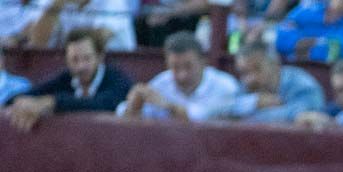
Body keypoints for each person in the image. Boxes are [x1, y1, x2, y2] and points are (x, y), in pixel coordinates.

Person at [4, 27, 132, 132]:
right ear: (66, 60)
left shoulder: (118, 80)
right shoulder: (66, 78)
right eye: (74, 59)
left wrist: (52, 102)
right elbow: (24, 96)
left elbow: (101, 104)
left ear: (100, 56)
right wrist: (23, 102)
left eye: (87, 58)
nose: (81, 66)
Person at [118, 31, 239, 121]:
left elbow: (200, 117)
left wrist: (168, 106)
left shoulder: (224, 85)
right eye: (175, 67)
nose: (182, 75)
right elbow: (122, 114)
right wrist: (134, 105)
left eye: (188, 66)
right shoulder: (161, 83)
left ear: (203, 62)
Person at [223, 40, 326, 123]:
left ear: (275, 65)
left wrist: (248, 113)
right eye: (244, 73)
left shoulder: (303, 84)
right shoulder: (244, 86)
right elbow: (223, 109)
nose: (250, 79)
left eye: (257, 69)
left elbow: (306, 115)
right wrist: (254, 102)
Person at [274, 0, 343, 63]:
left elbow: (338, 51)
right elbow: (280, 39)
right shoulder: (308, 9)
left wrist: (302, 48)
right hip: (293, 66)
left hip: (326, 72)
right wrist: (319, 42)